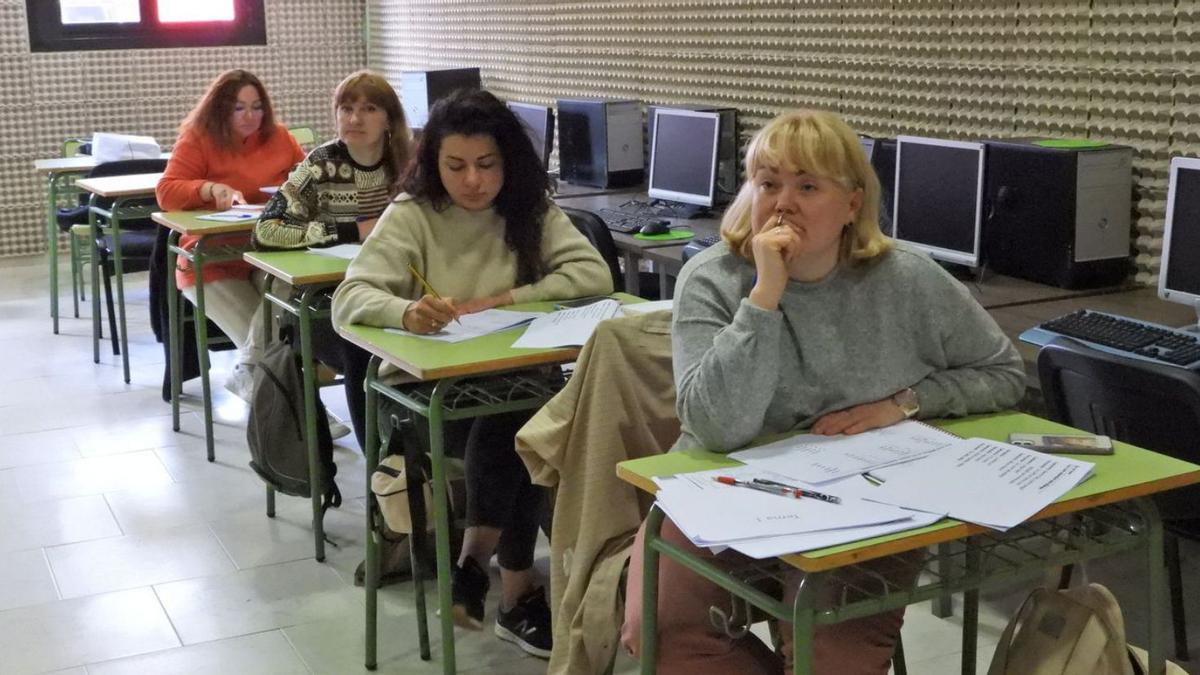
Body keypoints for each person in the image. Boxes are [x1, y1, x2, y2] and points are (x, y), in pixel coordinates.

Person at [621, 110, 1025, 674]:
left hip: (863, 501)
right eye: (768, 184)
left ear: (853, 204)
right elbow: (716, 425)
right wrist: (764, 296)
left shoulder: (906, 278)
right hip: (723, 485)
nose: (782, 203)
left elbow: (1004, 372)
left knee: (828, 657)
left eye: (807, 186)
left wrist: (903, 404)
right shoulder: (715, 277)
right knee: (660, 628)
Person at [331, 88, 614, 658]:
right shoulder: (413, 215)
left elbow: (593, 275)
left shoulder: (527, 208)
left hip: (513, 382)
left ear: (507, 162)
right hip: (424, 395)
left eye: (487, 165)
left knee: (528, 411)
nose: (473, 181)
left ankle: (473, 566)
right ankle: (515, 590)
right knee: (531, 421)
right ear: (433, 164)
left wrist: (507, 298)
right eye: (455, 166)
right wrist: (406, 311)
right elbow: (348, 298)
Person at [252, 70, 413, 449]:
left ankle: (418, 458)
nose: (354, 119)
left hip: (395, 292)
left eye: (368, 109)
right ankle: (380, 465)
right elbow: (265, 231)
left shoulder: (409, 165)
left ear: (388, 118)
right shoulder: (321, 163)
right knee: (361, 350)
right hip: (326, 303)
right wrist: (350, 232)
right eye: (346, 108)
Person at [155, 69, 305, 403]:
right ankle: (311, 423)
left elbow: (306, 178)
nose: (250, 116)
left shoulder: (280, 138)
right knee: (275, 346)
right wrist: (208, 188)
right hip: (211, 261)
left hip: (266, 253)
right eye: (239, 108)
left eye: (257, 107)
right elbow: (166, 191)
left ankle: (253, 378)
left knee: (291, 297)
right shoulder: (199, 138)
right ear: (220, 109)